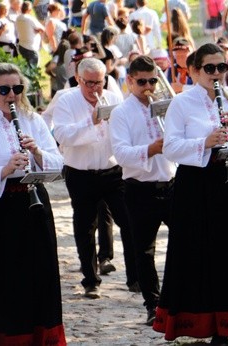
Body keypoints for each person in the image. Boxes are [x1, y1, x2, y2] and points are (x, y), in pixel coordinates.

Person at [153, 43, 228, 345]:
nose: (217, 74)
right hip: (200, 183)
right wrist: (205, 142)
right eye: (210, 68)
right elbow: (171, 148)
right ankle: (218, 328)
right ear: (194, 70)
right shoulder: (182, 103)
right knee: (211, 252)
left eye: (222, 68)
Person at [0, 62, 66, 344]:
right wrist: (4, 169)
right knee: (2, 277)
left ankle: (39, 335)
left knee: (38, 272)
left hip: (32, 204)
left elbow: (58, 163)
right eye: (4, 89)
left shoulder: (32, 120)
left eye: (17, 88)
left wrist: (37, 152)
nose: (11, 95)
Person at [53, 58, 137, 298]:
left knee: (129, 222)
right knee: (85, 227)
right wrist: (90, 122)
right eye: (88, 83)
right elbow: (63, 136)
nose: (94, 89)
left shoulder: (113, 98)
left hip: (113, 171)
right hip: (80, 173)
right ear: (79, 80)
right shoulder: (66, 100)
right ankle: (91, 280)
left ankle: (135, 277)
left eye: (99, 83)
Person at [109, 55, 177, 326]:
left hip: (171, 183)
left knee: (184, 240)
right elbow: (121, 154)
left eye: (153, 81)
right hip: (139, 189)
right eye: (142, 82)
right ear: (129, 81)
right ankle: (153, 304)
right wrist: (152, 149)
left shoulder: (166, 106)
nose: (148, 87)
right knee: (144, 251)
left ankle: (177, 296)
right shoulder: (121, 113)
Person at [15, 0, 45, 67]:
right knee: (32, 70)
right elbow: (42, 29)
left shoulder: (18, 18)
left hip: (21, 45)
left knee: (24, 68)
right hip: (31, 48)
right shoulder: (30, 19)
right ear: (29, 9)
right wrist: (37, 30)